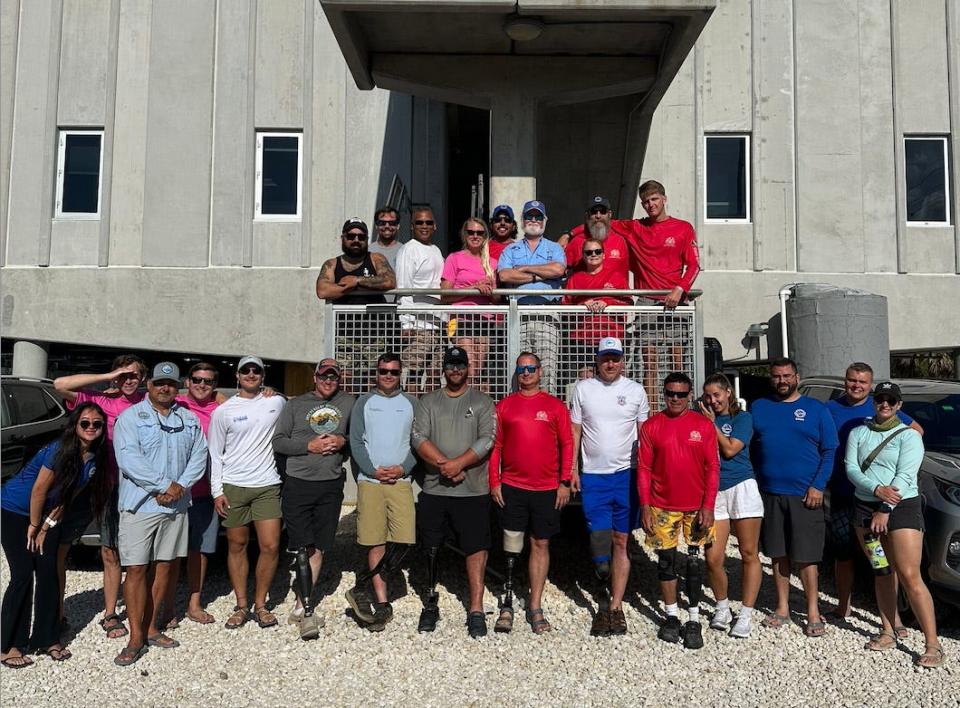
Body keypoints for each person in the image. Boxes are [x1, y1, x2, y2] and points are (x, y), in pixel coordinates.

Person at [1, 403, 111, 668]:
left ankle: (47, 638)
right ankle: (9, 644)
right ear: (75, 425)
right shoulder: (59, 450)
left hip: (45, 516)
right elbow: (39, 490)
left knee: (49, 571)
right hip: (15, 510)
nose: (91, 428)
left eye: (97, 424)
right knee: (23, 573)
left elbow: (69, 494)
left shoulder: (94, 456)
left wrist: (47, 525)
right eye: (85, 423)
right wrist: (35, 525)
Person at [112, 362, 207, 666]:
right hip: (141, 505)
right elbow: (128, 458)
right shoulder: (130, 418)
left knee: (165, 567)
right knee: (137, 569)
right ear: (148, 385)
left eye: (170, 383)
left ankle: (152, 628)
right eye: (159, 383)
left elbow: (199, 455)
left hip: (175, 505)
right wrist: (163, 485)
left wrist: (180, 486)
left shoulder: (189, 420)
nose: (165, 388)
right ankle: (135, 637)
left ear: (178, 386)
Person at [845, 382, 943, 668]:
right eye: (880, 399)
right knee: (882, 570)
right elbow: (851, 468)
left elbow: (906, 473)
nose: (885, 404)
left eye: (891, 400)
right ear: (874, 402)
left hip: (901, 509)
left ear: (899, 405)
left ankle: (933, 644)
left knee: (910, 575)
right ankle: (888, 630)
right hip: (866, 507)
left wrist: (886, 507)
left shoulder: (909, 437)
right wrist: (876, 490)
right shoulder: (858, 433)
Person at [53, 354, 149, 641]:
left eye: (133, 375)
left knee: (129, 552)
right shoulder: (102, 401)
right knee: (99, 550)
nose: (127, 380)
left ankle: (126, 610)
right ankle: (84, 614)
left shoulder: (149, 403)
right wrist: (109, 377)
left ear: (143, 379)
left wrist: (220, 396)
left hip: (136, 487)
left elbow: (193, 398)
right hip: (101, 485)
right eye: (123, 375)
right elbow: (60, 384)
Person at [825, 362, 921, 626]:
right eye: (852, 380)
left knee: (889, 561)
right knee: (845, 555)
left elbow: (916, 433)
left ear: (870, 385)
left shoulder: (882, 406)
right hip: (847, 495)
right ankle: (843, 607)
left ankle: (895, 620)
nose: (856, 385)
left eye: (862, 382)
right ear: (845, 381)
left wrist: (897, 480)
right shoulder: (830, 409)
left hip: (888, 503)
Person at [411, 346, 496, 638]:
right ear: (443, 368)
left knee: (475, 548)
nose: (455, 370)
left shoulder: (482, 402)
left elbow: (488, 438)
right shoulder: (428, 401)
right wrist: (445, 465)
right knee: (431, 548)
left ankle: (476, 608)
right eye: (450, 365)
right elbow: (418, 436)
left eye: (460, 365)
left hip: (473, 491)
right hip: (435, 488)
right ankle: (431, 603)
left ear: (468, 368)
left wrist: (460, 463)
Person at [751, 358, 837, 637]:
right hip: (771, 493)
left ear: (796, 377)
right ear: (771, 378)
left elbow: (829, 451)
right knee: (778, 553)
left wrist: (818, 486)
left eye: (787, 375)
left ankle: (813, 610)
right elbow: (748, 447)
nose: (782, 381)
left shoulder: (816, 409)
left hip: (805, 495)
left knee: (807, 556)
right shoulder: (759, 407)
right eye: (776, 376)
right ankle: (783, 607)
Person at [569, 337, 649, 636]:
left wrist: (645, 477)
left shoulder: (635, 390)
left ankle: (613, 606)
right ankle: (602, 580)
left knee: (621, 540)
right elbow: (575, 431)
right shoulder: (583, 389)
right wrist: (572, 469)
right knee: (598, 542)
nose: (610, 363)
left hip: (626, 475)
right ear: (597, 360)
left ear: (622, 360)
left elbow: (645, 436)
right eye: (605, 358)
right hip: (594, 475)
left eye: (615, 358)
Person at [489, 353, 573, 634]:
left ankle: (535, 604)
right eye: (521, 369)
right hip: (513, 486)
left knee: (541, 544)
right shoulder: (505, 406)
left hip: (547, 489)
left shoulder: (554, 406)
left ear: (540, 371)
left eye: (531, 368)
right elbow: (496, 447)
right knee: (511, 544)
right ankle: (508, 601)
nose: (526, 373)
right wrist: (494, 481)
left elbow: (567, 444)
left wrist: (564, 482)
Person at [272, 358, 354, 640]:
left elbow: (357, 437)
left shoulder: (349, 404)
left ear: (339, 379)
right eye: (324, 375)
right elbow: (279, 441)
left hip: (330, 484)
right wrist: (307, 445)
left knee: (319, 545)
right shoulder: (294, 406)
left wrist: (343, 442)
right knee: (302, 546)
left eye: (334, 376)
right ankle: (306, 606)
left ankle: (301, 604)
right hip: (299, 482)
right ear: (315, 377)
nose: (328, 380)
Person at [639, 372, 719, 649]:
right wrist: (645, 505)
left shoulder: (703, 426)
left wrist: (708, 506)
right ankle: (672, 615)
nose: (675, 398)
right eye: (670, 393)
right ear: (664, 394)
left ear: (689, 396)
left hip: (695, 508)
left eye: (681, 394)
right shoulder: (651, 426)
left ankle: (694, 618)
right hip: (662, 506)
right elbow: (645, 469)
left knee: (694, 563)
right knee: (667, 561)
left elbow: (712, 468)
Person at [208, 356, 286, 632]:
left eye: (257, 371)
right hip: (234, 486)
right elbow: (215, 454)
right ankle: (241, 605)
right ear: (237, 376)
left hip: (267, 484)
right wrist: (217, 490)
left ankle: (261, 604)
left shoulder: (276, 402)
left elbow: (294, 404)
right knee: (237, 546)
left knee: (270, 546)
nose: (251, 374)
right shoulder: (224, 411)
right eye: (246, 371)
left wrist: (275, 390)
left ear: (263, 376)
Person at [346, 353, 417, 632]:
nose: (388, 376)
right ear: (376, 373)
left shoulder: (411, 403)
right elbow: (356, 440)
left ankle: (361, 585)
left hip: (400, 481)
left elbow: (417, 441)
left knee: (403, 539)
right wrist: (373, 471)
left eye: (394, 372)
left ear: (401, 375)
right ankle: (381, 600)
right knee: (375, 541)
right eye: (383, 371)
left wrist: (403, 468)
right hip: (371, 480)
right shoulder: (365, 402)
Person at [697, 373, 762, 638]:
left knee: (748, 553)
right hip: (714, 491)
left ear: (728, 393)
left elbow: (731, 450)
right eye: (708, 396)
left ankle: (745, 614)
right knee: (713, 557)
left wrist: (712, 425)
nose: (713, 401)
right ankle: (722, 606)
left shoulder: (742, 418)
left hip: (742, 486)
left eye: (717, 395)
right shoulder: (699, 422)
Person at [497, 200, 566, 394]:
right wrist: (541, 275)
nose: (533, 220)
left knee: (546, 370)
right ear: (523, 220)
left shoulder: (554, 248)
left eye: (538, 216)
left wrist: (527, 269)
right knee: (518, 370)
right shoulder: (511, 249)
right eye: (529, 216)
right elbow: (505, 275)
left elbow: (558, 269)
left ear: (545, 220)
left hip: (547, 315)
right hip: (518, 317)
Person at [441, 217, 499, 388]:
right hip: (461, 320)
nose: (475, 236)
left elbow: (497, 299)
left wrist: (491, 291)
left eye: (479, 232)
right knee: (469, 368)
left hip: (485, 320)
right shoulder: (454, 258)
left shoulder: (492, 263)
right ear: (464, 235)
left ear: (485, 236)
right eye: (471, 232)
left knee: (479, 370)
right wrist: (475, 288)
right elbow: (444, 294)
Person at [563, 237, 631, 377]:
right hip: (583, 338)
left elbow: (629, 304)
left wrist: (608, 304)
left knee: (613, 378)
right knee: (586, 378)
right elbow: (565, 307)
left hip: (612, 338)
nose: (593, 254)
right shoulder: (575, 279)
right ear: (583, 256)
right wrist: (582, 306)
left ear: (604, 254)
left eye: (597, 251)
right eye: (589, 252)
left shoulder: (617, 276)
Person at [396, 205, 446, 393]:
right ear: (412, 226)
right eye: (419, 222)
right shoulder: (409, 250)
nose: (424, 226)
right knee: (414, 373)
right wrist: (407, 324)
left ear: (435, 226)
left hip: (437, 323)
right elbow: (404, 288)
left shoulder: (435, 250)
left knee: (435, 374)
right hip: (418, 325)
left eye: (428, 222)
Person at [316, 218, 397, 304]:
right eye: (351, 236)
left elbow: (389, 281)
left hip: (374, 317)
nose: (356, 240)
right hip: (343, 316)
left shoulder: (376, 258)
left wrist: (356, 281)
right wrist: (359, 286)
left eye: (361, 237)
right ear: (343, 238)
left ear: (367, 239)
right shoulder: (331, 264)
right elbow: (322, 291)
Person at [562, 196, 630, 279]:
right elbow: (561, 271)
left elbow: (624, 276)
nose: (598, 216)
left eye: (602, 211)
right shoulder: (576, 242)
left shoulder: (620, 241)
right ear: (587, 216)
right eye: (594, 212)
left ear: (610, 214)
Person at [369, 206, 403, 271]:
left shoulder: (405, 251)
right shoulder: (368, 251)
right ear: (376, 226)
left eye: (392, 223)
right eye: (382, 223)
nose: (387, 226)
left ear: (398, 226)